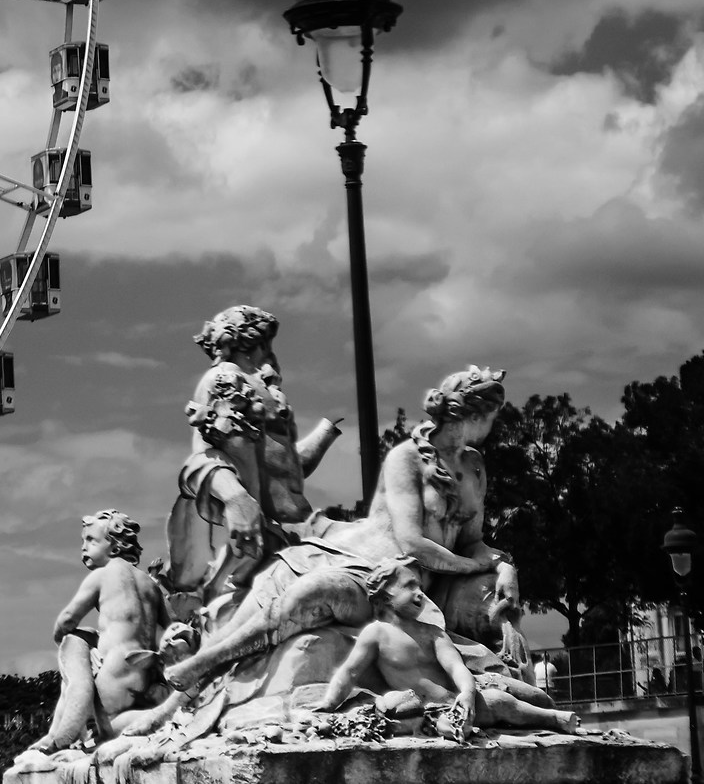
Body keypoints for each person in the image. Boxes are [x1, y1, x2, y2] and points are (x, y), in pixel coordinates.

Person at [321, 367, 523, 655]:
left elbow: (471, 543)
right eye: (493, 418)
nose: (493, 426)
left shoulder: (474, 464)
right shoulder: (405, 458)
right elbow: (412, 543)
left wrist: (504, 567)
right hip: (381, 577)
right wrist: (474, 566)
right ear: (477, 417)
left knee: (494, 601)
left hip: (434, 582)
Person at [163, 306, 344, 620]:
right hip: (263, 538)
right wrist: (236, 498)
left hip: (300, 530)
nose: (271, 352)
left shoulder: (265, 388)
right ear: (252, 341)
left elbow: (285, 468)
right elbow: (201, 460)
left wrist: (327, 432)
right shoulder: (222, 379)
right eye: (267, 343)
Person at [314, 560, 573, 734]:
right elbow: (349, 672)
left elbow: (456, 667)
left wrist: (468, 691)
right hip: (441, 706)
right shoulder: (376, 634)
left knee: (534, 694)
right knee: (500, 702)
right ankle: (555, 720)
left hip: (471, 687)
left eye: (420, 587)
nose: (419, 594)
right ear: (384, 594)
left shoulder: (432, 633)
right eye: (409, 586)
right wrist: (328, 703)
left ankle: (552, 710)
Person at [22, 511, 192, 757]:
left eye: (91, 540)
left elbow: (67, 620)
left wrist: (70, 644)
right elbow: (171, 627)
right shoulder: (150, 584)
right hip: (148, 677)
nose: (83, 548)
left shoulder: (102, 575)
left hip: (114, 675)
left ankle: (59, 736)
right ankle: (167, 715)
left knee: (77, 642)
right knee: (134, 717)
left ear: (114, 548)